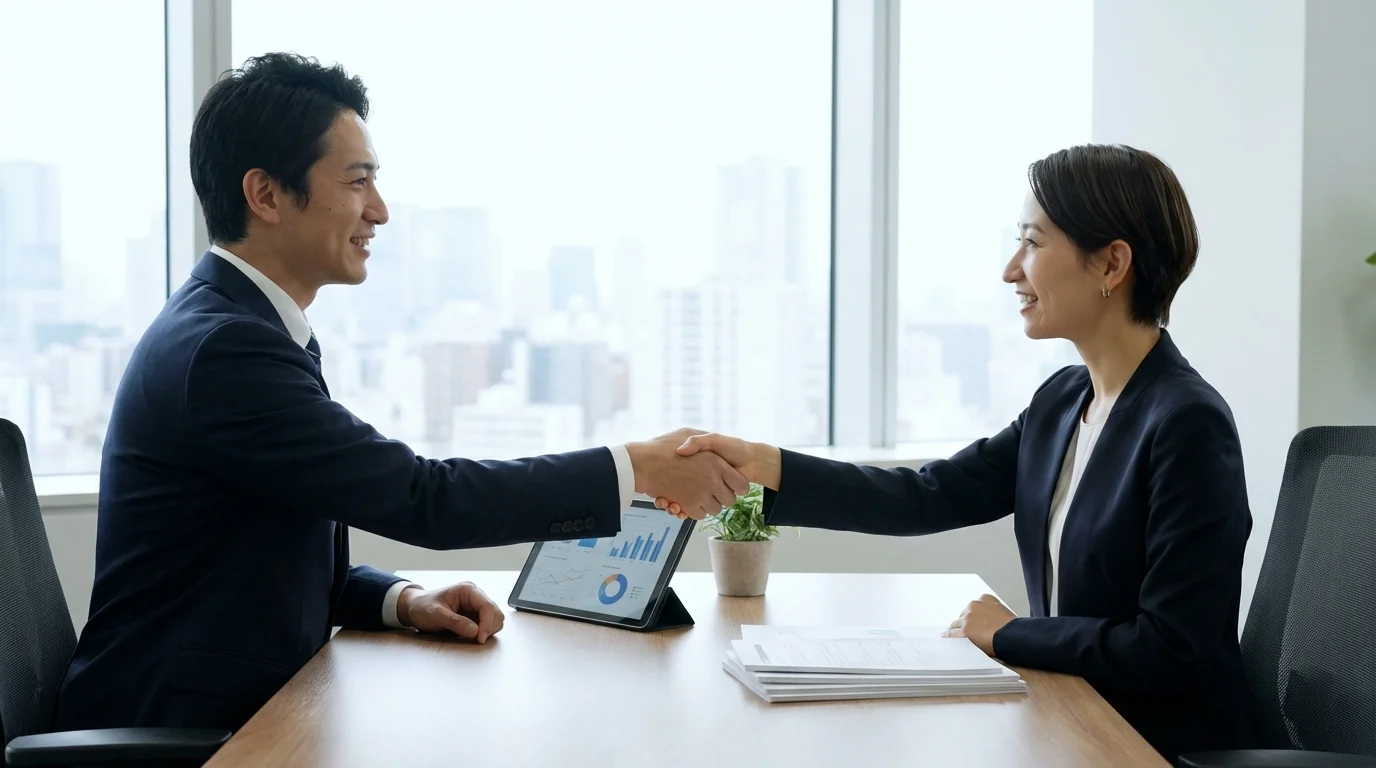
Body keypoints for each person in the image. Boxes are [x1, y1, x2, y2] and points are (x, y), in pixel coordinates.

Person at [53, 53, 744, 733]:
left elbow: (253, 562)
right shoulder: (226, 351)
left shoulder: (241, 327)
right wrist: (635, 469)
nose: (378, 211)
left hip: (237, 709)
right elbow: (424, 499)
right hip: (179, 730)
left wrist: (401, 600)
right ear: (265, 195)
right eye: (357, 182)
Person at [656, 144, 1254, 762]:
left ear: (1111, 263)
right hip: (1069, 719)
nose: (1011, 270)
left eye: (1033, 243)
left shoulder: (1187, 423)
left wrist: (1012, 633)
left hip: (1152, 746)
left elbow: (1173, 651)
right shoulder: (1064, 400)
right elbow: (927, 496)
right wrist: (762, 463)